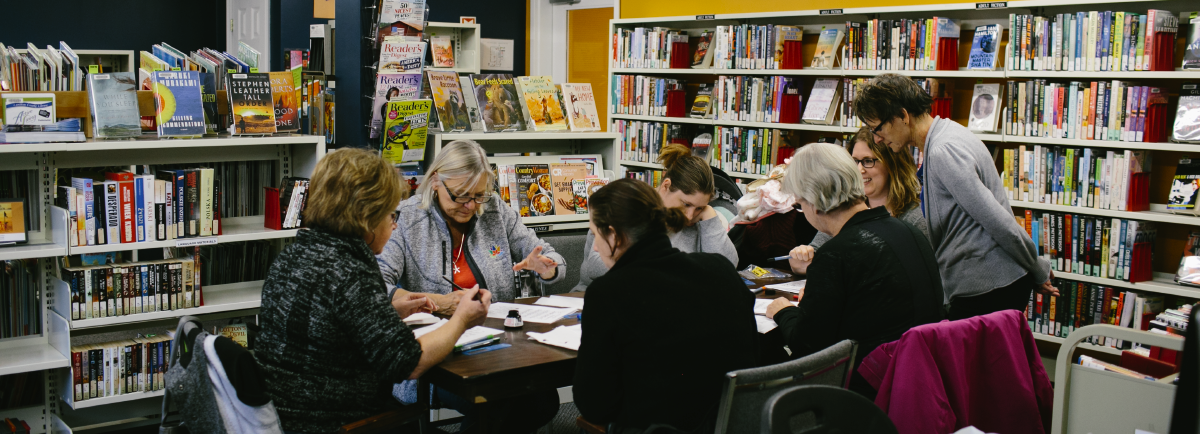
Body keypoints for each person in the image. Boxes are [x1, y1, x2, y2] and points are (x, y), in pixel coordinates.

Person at [256, 148, 492, 434]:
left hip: (284, 418)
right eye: (390, 214)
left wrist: (388, 309)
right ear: (366, 217)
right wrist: (462, 319)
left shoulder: (294, 255)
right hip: (342, 423)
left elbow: (327, 323)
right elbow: (408, 362)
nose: (394, 224)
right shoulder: (350, 272)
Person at [377, 139, 563, 432]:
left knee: (542, 398)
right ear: (436, 180)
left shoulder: (494, 211)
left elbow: (550, 257)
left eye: (479, 196)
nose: (470, 206)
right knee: (499, 402)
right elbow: (377, 286)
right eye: (461, 196)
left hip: (499, 345)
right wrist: (439, 302)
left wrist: (546, 268)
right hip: (436, 356)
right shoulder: (406, 218)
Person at [852, 73, 1058, 320]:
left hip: (987, 288)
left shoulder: (942, 151)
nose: (878, 139)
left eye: (878, 128)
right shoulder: (949, 133)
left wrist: (1037, 268)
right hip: (991, 283)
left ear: (903, 116)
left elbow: (997, 221)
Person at [763, 142, 944, 400]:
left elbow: (807, 347)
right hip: (919, 381)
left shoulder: (836, 254)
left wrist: (785, 312)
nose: (804, 212)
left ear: (815, 202)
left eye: (801, 204)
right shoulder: (910, 232)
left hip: (864, 392)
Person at [574, 179, 759, 431]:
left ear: (614, 235)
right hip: (732, 423)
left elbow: (594, 404)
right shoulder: (720, 268)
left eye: (596, 235)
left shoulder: (608, 293)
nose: (595, 246)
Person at [573, 144, 737, 291]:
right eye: (686, 204)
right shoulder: (627, 205)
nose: (690, 216)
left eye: (699, 207)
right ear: (666, 185)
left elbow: (727, 268)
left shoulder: (699, 220)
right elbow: (594, 266)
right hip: (597, 298)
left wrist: (709, 217)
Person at [789, 127, 930, 274]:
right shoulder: (846, 210)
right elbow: (815, 255)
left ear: (893, 164)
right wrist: (800, 260)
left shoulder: (916, 217)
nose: (860, 169)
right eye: (854, 161)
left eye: (868, 161)